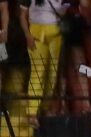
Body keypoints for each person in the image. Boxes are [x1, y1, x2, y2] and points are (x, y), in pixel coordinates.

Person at [20, 0, 67, 129]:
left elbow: (65, 12)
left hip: (56, 34)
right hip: (35, 33)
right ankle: (31, 113)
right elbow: (22, 16)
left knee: (52, 73)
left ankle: (44, 108)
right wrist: (27, 35)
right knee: (38, 71)